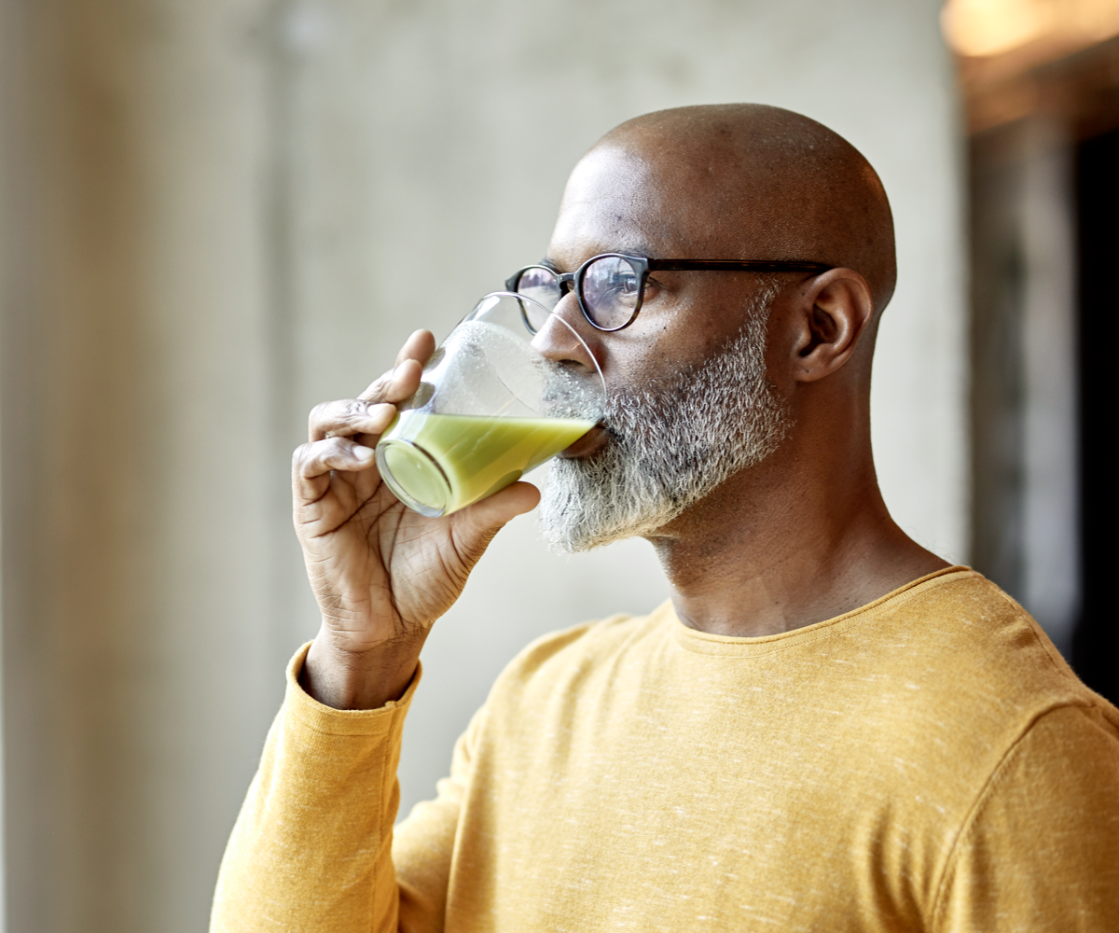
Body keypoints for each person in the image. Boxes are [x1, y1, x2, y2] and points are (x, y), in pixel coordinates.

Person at [211, 104, 1119, 932]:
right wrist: (362, 649)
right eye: (551, 286)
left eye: (616, 283)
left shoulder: (1011, 743)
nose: (551, 338)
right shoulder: (543, 702)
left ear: (817, 328)